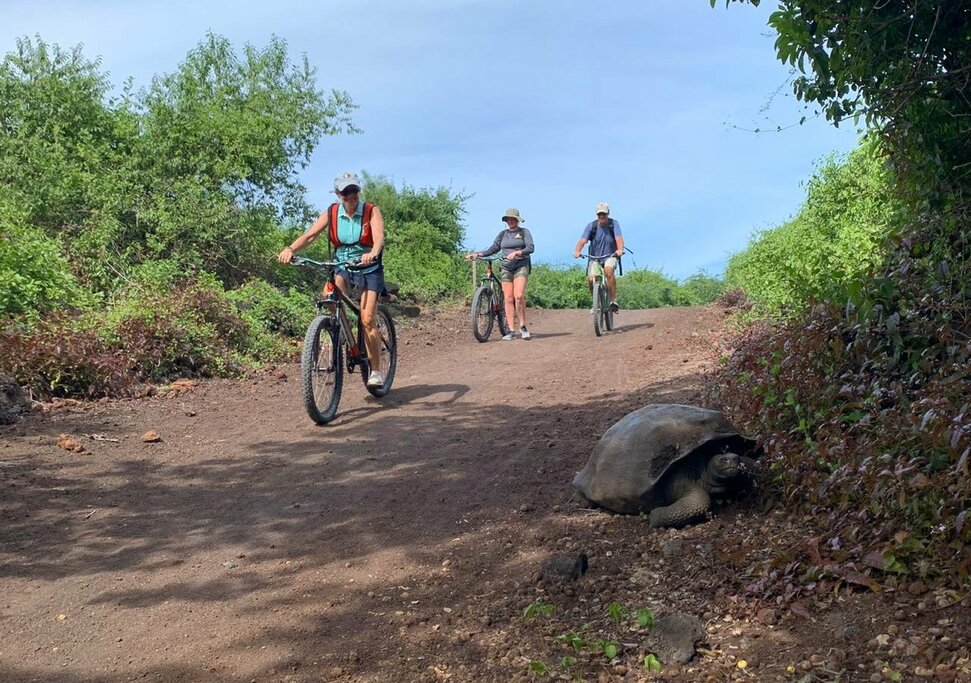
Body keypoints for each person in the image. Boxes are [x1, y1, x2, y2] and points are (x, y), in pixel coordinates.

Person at [278, 171, 387, 387]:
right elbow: (310, 235)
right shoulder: (332, 212)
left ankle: (375, 370)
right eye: (345, 192)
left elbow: (379, 238)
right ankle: (343, 334)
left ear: (359, 191)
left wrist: (372, 253)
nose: (350, 195)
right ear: (338, 193)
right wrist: (290, 249)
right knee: (330, 299)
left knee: (367, 319)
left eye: (353, 190)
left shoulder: (370, 210)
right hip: (342, 266)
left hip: (368, 267)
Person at [466, 208, 535, 340]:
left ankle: (523, 326)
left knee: (519, 296)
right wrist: (477, 254)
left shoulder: (524, 232)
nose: (510, 221)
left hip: (521, 265)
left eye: (513, 219)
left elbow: (530, 248)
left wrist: (517, 252)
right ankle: (511, 330)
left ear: (517, 220)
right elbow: (493, 249)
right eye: (508, 219)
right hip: (506, 267)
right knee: (508, 298)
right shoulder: (502, 234)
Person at [573, 202, 625, 313]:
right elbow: (583, 240)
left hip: (610, 255)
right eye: (599, 214)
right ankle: (596, 302)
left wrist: (620, 250)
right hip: (595, 257)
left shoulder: (613, 224)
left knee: (608, 270)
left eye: (604, 214)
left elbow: (619, 238)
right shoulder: (592, 226)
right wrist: (577, 251)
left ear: (608, 214)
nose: (602, 217)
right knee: (591, 279)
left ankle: (613, 300)